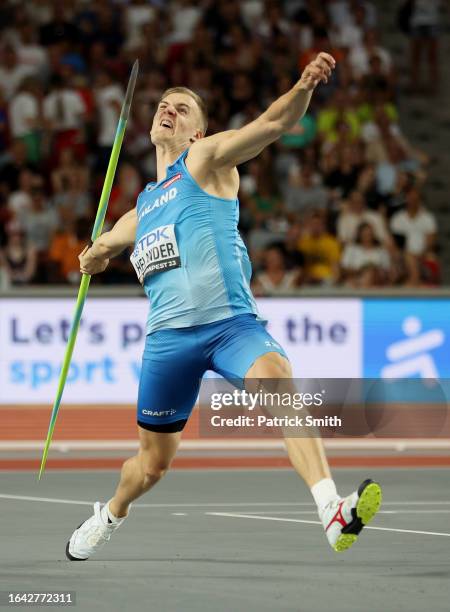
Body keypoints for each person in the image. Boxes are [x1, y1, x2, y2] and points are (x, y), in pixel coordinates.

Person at [68, 53, 382, 561]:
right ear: (151, 126)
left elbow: (274, 123)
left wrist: (303, 84)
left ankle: (331, 511)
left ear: (196, 133)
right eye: (165, 105)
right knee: (151, 467)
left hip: (230, 327)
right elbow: (103, 248)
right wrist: (92, 257)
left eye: (183, 108)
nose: (170, 109)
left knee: (279, 381)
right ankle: (110, 514)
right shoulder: (142, 207)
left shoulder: (205, 160)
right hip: (169, 342)